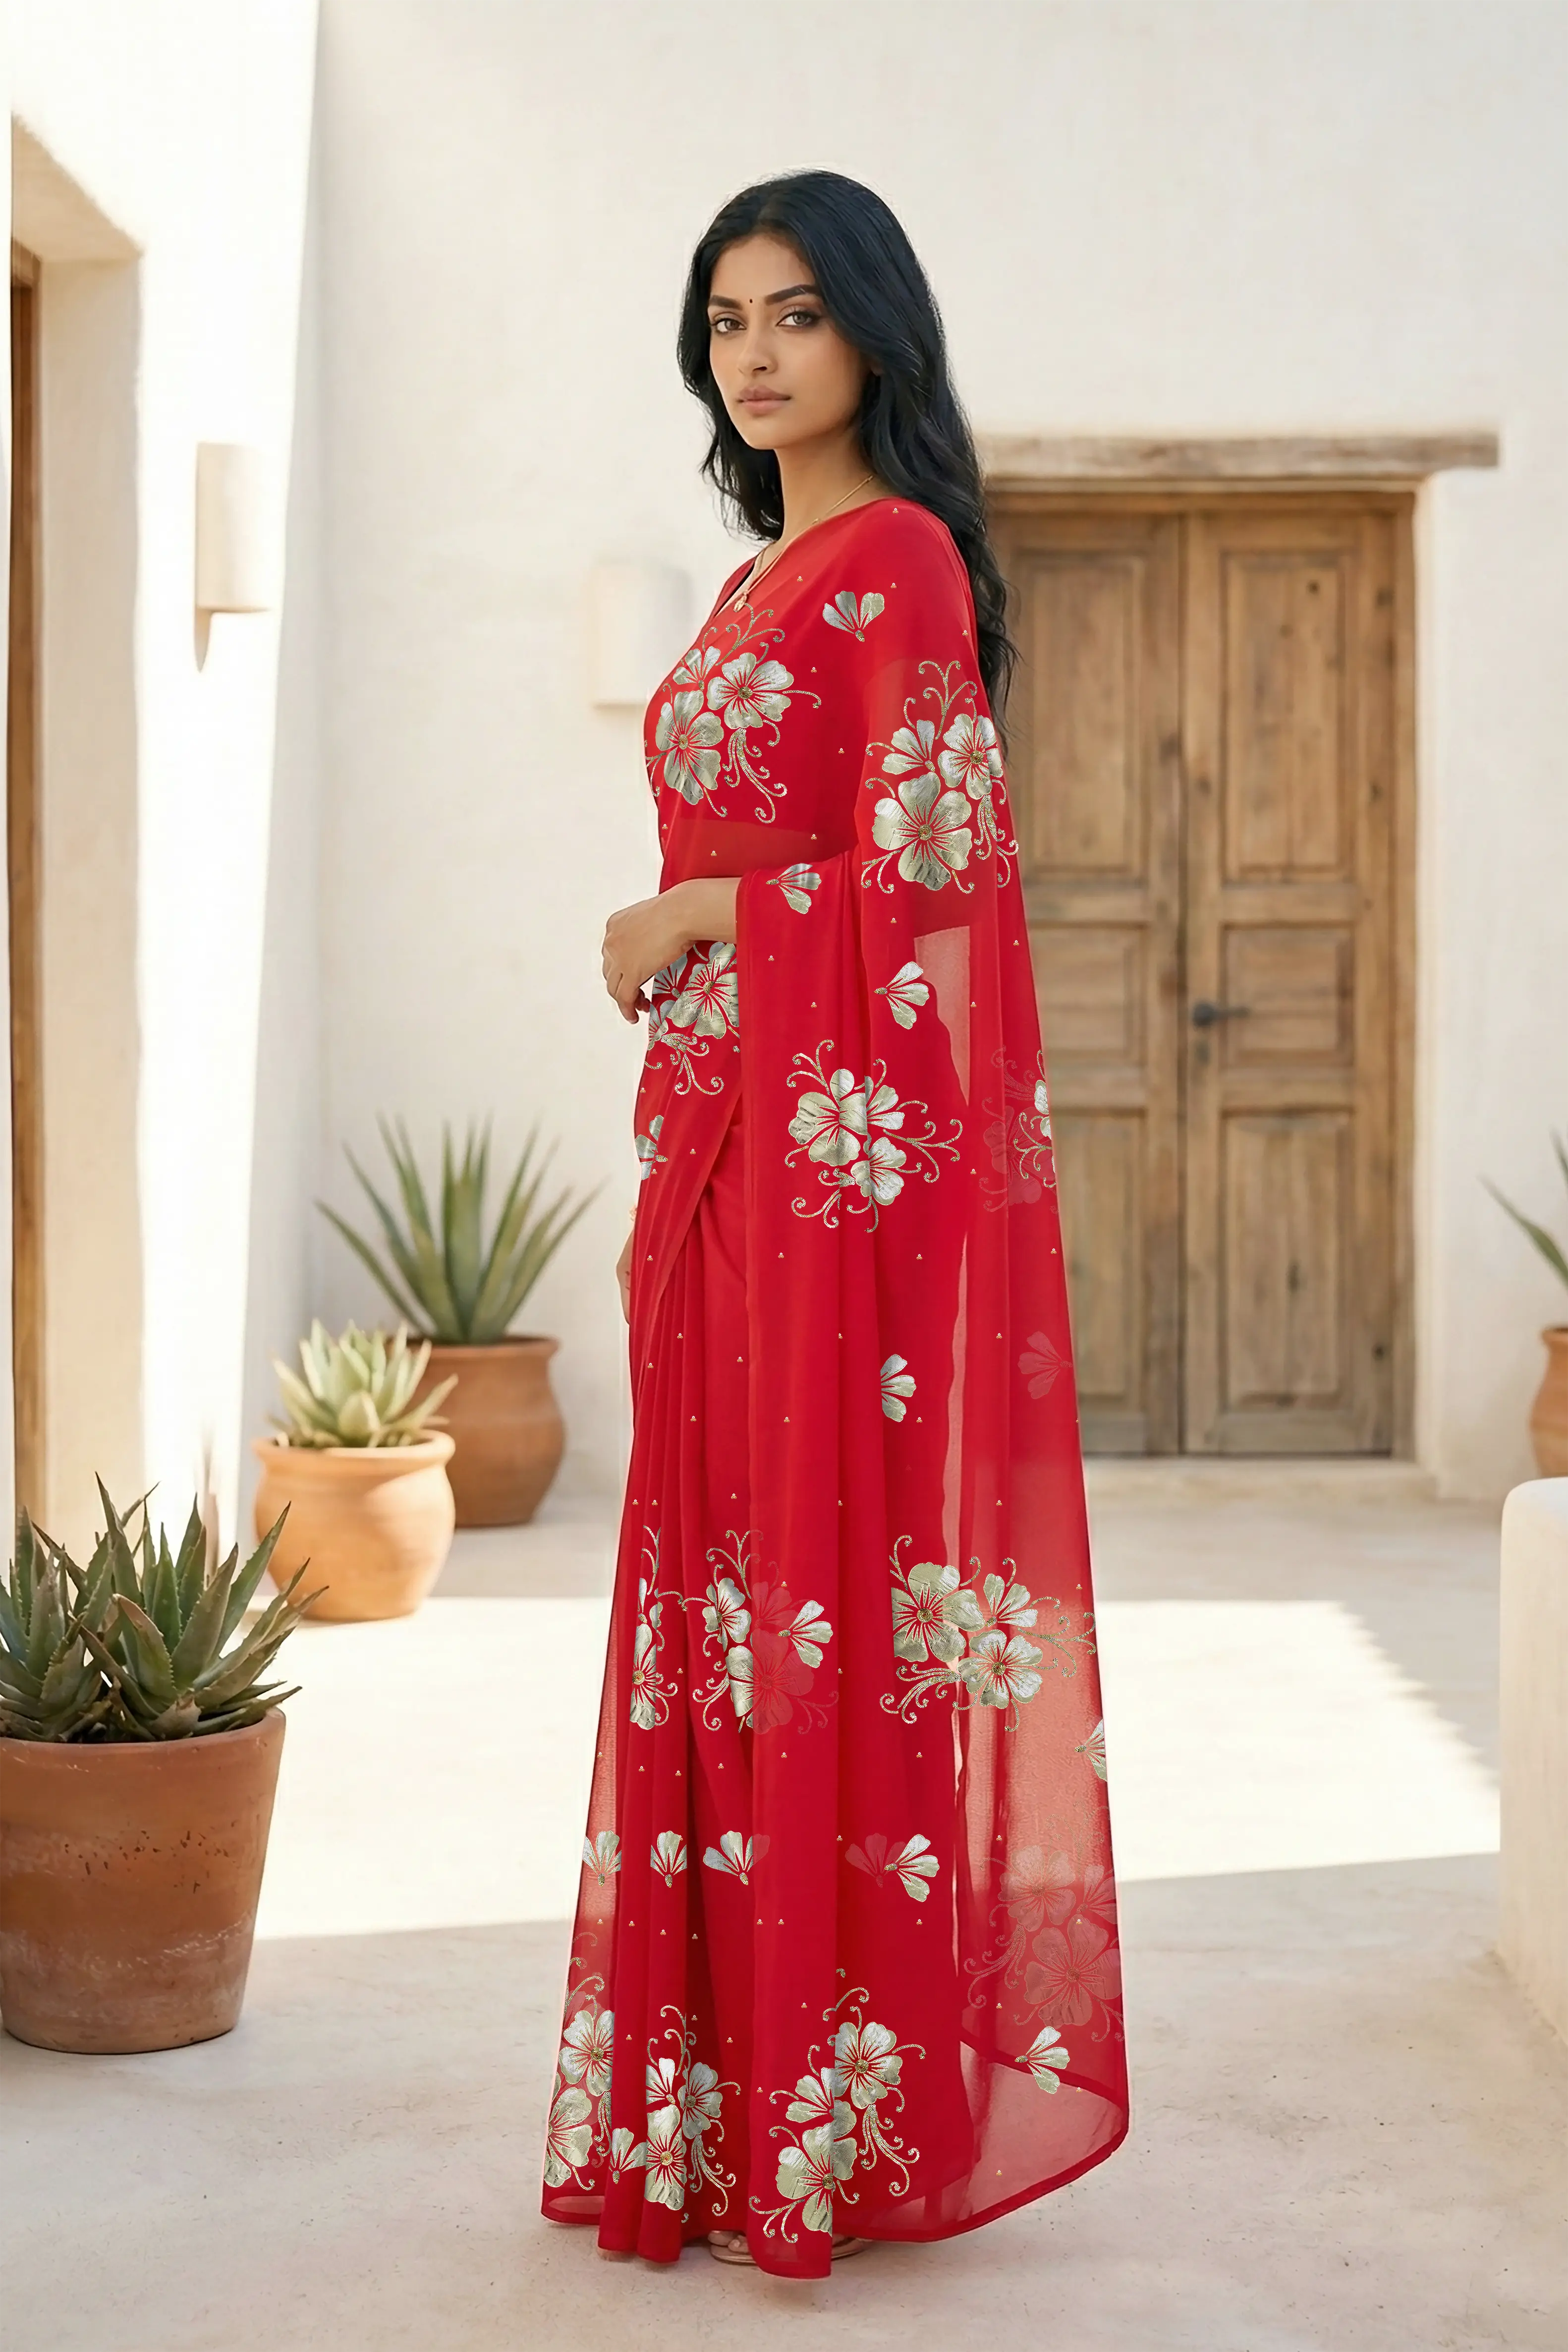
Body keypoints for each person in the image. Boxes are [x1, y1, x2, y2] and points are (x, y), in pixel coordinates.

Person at [542, 169, 1126, 2280]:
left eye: (795, 311)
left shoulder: (887, 562)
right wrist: (690, 956)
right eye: (724, 319)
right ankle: (709, 2112)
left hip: (818, 1186)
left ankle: (829, 2124)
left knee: (808, 1604)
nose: (757, 352)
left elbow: (938, 902)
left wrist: (704, 911)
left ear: (874, 330)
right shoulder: (750, 582)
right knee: (718, 1612)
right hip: (708, 1162)